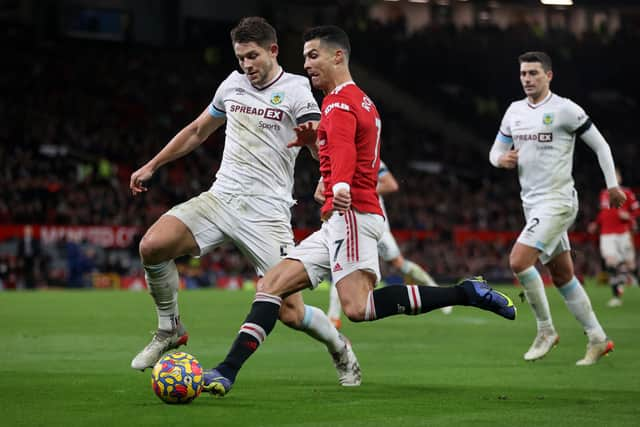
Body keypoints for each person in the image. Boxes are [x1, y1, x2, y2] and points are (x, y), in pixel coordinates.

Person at [202, 25, 515, 397]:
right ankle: (225, 371)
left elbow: (347, 154)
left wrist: (340, 186)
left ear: (338, 56)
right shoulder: (362, 101)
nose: (306, 64)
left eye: (313, 56)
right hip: (343, 217)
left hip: (351, 216)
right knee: (272, 285)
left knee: (358, 307)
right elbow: (350, 148)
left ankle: (466, 292)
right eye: (303, 57)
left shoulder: (338, 103)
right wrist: (321, 157)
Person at [129, 17, 360, 386]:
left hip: (267, 214)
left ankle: (339, 345)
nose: (246, 66)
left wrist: (315, 148)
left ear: (272, 51)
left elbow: (322, 149)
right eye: (240, 58)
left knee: (290, 311)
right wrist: (153, 165)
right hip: (221, 199)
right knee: (152, 246)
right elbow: (197, 130)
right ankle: (169, 328)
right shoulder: (232, 85)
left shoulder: (298, 90)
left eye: (252, 56)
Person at [489, 51, 625, 365]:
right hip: (532, 204)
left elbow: (600, 145)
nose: (527, 79)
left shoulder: (565, 110)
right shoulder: (514, 112)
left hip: (559, 202)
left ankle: (546, 330)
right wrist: (502, 159)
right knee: (563, 275)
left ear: (549, 76)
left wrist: (612, 185)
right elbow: (495, 151)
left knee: (518, 260)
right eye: (523, 73)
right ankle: (597, 338)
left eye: (533, 73)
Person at [315, 160, 451, 329]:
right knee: (345, 266)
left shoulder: (371, 161)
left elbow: (391, 184)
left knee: (398, 264)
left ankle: (436, 291)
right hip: (353, 224)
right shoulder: (341, 159)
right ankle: (333, 317)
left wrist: (361, 192)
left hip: (373, 225)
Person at [588, 168, 639, 307]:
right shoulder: (604, 194)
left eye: (615, 175)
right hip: (606, 234)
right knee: (610, 263)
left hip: (623, 233)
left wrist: (629, 216)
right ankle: (617, 296)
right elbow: (604, 213)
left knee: (631, 265)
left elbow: (637, 211)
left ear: (620, 178)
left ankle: (629, 278)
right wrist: (596, 223)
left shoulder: (627, 192)